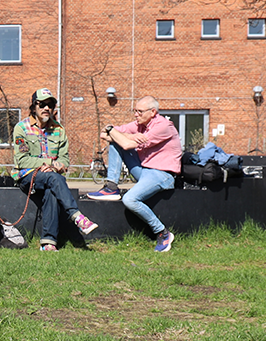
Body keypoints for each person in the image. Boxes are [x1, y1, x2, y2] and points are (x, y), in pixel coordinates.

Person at [88, 96, 180, 252]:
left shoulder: (163, 127)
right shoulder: (139, 125)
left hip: (162, 174)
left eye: (140, 111)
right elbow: (105, 133)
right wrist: (129, 135)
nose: (136, 115)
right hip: (144, 170)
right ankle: (111, 187)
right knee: (116, 141)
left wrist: (118, 134)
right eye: (135, 111)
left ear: (153, 112)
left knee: (130, 199)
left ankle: (162, 233)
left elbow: (125, 143)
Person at [12, 89, 97, 251]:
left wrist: (59, 165)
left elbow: (65, 160)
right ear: (33, 107)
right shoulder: (21, 128)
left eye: (50, 105)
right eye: (42, 104)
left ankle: (48, 243)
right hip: (27, 176)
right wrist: (49, 162)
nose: (46, 108)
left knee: (52, 188)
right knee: (53, 178)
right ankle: (76, 216)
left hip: (51, 178)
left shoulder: (59, 130)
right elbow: (22, 160)